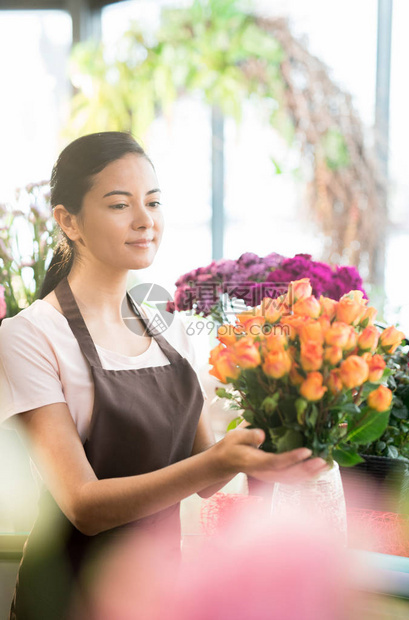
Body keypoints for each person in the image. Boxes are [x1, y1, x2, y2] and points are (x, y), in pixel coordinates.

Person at [0, 132, 329, 619]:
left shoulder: (168, 325)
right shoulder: (29, 335)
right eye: (119, 205)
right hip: (67, 599)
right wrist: (220, 461)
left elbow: (204, 474)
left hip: (160, 597)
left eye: (154, 202)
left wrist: (280, 414)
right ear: (68, 221)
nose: (145, 220)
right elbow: (83, 506)